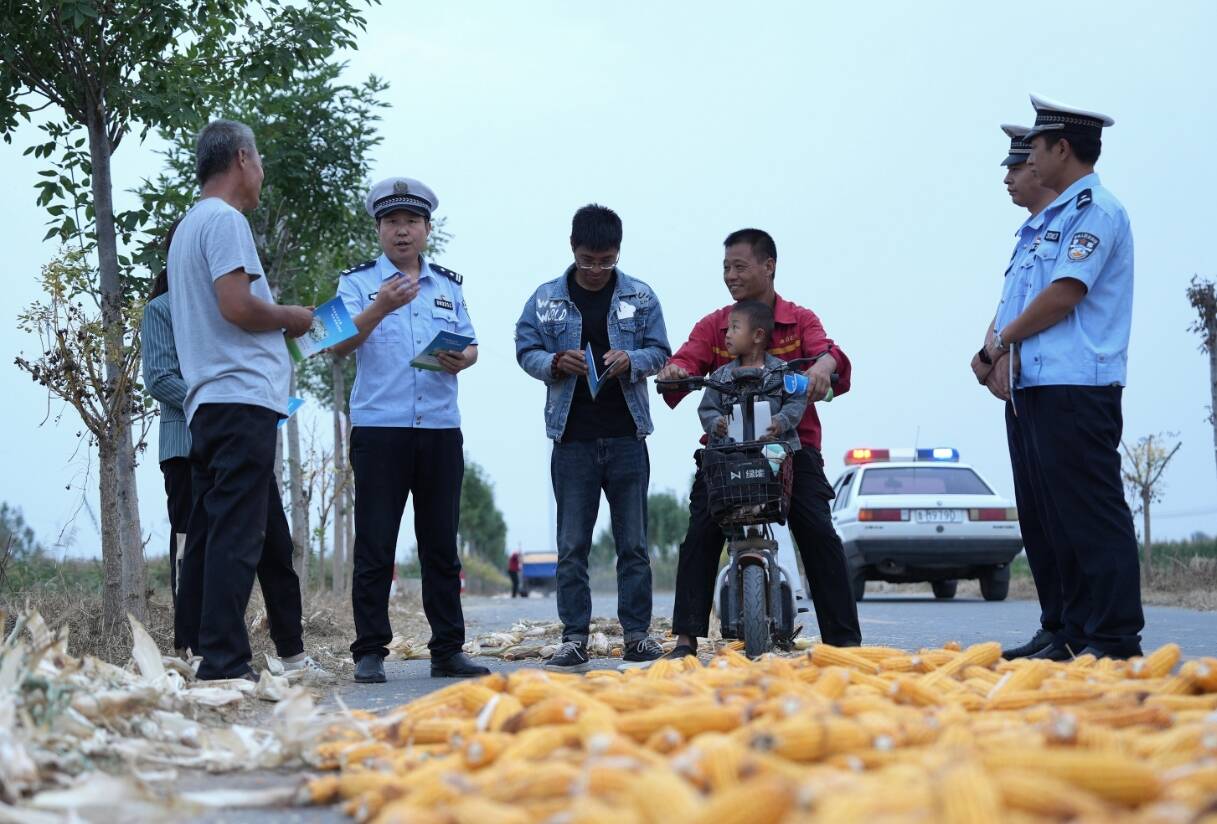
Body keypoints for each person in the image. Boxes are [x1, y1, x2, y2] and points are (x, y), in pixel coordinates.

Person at [981, 94, 1144, 660]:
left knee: (1090, 514)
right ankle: (1068, 629)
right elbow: (1019, 301)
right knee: (1049, 518)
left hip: (1078, 384)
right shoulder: (1048, 222)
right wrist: (993, 353)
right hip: (1036, 386)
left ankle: (1116, 638)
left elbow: (1064, 295)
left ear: (1062, 149)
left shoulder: (1096, 212)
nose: (1026, 159)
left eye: (1037, 147)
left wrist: (1002, 342)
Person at [659, 228, 861, 658]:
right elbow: (687, 359)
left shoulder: (799, 320)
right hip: (727, 453)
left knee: (818, 530)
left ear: (769, 266)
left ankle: (845, 642)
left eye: (740, 266)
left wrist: (824, 364)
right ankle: (685, 639)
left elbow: (829, 355)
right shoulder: (715, 326)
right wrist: (676, 371)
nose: (730, 275)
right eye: (725, 268)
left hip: (791, 450)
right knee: (699, 531)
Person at [168, 119, 315, 681]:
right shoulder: (225, 220)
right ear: (242, 159)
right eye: (259, 164)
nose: (261, 176)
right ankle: (226, 663)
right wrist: (292, 318)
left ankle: (207, 650)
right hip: (239, 398)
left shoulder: (187, 227)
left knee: (214, 532)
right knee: (237, 533)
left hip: (208, 402)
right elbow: (237, 305)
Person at [145, 231, 327, 676]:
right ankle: (195, 651)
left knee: (274, 547)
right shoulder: (163, 309)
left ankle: (293, 653)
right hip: (190, 448)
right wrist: (214, 399)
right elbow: (159, 377)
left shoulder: (226, 307)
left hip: (244, 436)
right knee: (197, 551)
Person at [333, 176, 489, 683]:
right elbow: (330, 345)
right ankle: (370, 650)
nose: (402, 231)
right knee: (376, 543)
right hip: (381, 428)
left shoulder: (448, 284)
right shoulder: (355, 283)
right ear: (379, 229)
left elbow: (470, 345)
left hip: (440, 428)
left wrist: (461, 359)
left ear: (426, 229)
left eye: (411, 222)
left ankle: (448, 648)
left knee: (441, 544)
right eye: (392, 222)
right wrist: (380, 307)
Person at [515, 204, 672, 673]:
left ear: (618, 253)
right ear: (572, 249)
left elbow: (661, 350)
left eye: (606, 261)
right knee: (572, 545)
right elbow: (525, 348)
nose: (597, 269)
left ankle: (638, 637)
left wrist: (635, 361)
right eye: (588, 260)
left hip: (626, 436)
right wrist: (553, 363)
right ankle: (574, 637)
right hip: (573, 439)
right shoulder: (545, 300)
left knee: (634, 545)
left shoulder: (641, 297)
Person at [969, 124, 1063, 660]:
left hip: (1059, 385)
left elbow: (1054, 304)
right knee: (1037, 515)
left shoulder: (1072, 225)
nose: (1007, 177)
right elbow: (1005, 312)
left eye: (1015, 166)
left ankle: (1093, 629)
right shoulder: (1028, 236)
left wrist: (995, 350)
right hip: (1022, 388)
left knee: (1068, 513)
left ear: (1043, 166)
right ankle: (1056, 624)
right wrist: (990, 361)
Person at [698, 300, 808, 453]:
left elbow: (796, 401)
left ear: (757, 335)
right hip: (730, 456)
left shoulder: (783, 372)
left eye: (735, 328)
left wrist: (780, 421)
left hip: (777, 454)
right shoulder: (720, 376)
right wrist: (716, 423)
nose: (728, 334)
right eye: (728, 328)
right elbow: (707, 409)